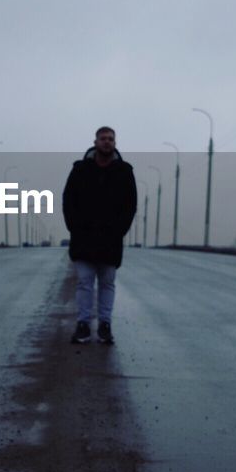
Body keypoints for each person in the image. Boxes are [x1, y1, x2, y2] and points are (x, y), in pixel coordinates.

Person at [61, 126, 138, 344]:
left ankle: (105, 325)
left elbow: (130, 205)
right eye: (103, 138)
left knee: (107, 283)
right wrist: (74, 227)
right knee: (84, 282)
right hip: (83, 238)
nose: (107, 142)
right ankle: (83, 325)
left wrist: (119, 230)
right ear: (95, 142)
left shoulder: (124, 171)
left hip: (110, 240)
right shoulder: (80, 170)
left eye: (110, 139)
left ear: (115, 143)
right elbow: (68, 200)